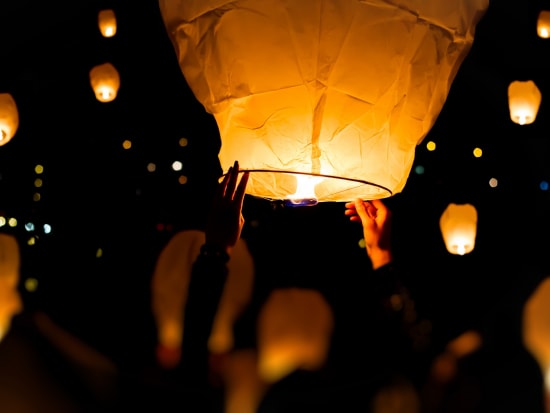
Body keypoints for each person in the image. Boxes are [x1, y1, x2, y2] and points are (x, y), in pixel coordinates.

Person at [181, 161, 430, 412]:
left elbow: (192, 360)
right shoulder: (354, 395)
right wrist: (382, 257)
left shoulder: (246, 398)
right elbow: (408, 360)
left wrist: (216, 251)